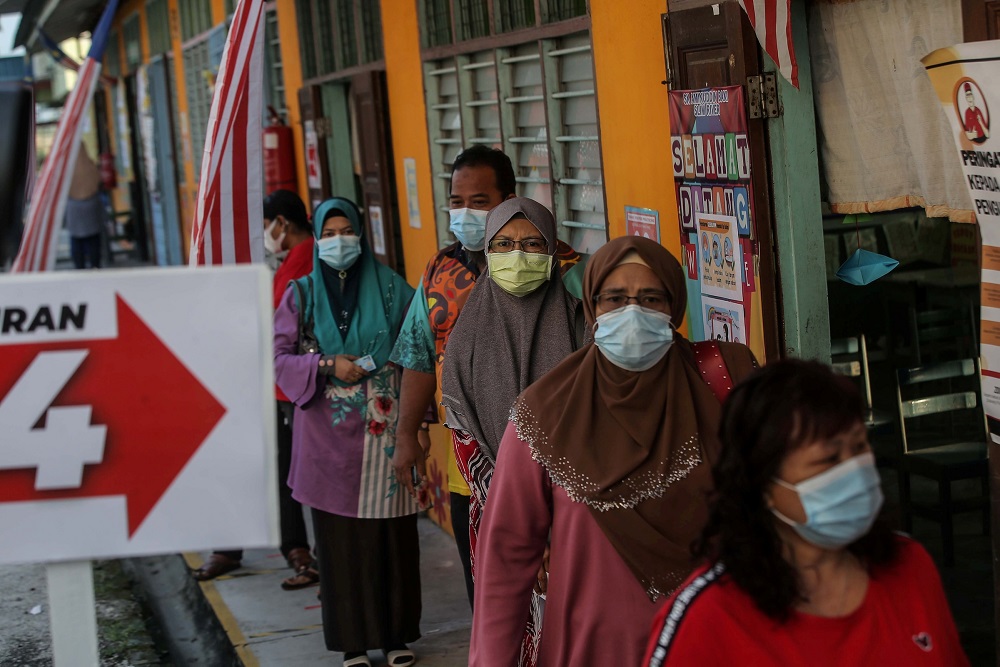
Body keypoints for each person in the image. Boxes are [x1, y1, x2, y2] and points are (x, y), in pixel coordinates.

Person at [469, 236, 756, 666]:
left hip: (717, 641)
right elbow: (506, 556)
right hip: (592, 649)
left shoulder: (723, 382)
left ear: (674, 307)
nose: (632, 313)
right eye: (615, 299)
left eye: (651, 298)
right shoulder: (545, 413)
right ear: (592, 307)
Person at [644, 359, 969, 667]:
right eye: (828, 460)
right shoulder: (708, 619)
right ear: (764, 484)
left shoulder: (911, 568)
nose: (854, 470)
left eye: (858, 448)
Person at [389, 145, 581, 608]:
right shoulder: (440, 269)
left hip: (565, 470)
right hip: (473, 468)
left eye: (479, 201)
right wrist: (406, 433)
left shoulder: (566, 270)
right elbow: (418, 354)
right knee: (491, 595)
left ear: (509, 199)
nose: (465, 212)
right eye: (457, 201)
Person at [274, 197, 419, 667]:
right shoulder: (301, 294)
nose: (340, 240)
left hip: (384, 434)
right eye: (329, 233)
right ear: (317, 238)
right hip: (326, 441)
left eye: (347, 230)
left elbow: (418, 343)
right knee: (339, 545)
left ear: (361, 232)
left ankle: (396, 638)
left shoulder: (394, 289)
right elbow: (277, 360)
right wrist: (325, 363)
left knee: (389, 541)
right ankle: (352, 644)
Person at [441, 197, 582, 664]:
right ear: (488, 252)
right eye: (502, 244)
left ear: (551, 251)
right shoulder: (467, 334)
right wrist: (524, 524)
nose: (516, 255)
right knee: (509, 631)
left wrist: (559, 521)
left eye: (530, 244)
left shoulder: (584, 325)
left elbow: (596, 431)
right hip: (499, 516)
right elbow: (465, 436)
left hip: (580, 517)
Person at [65, 144, 105, 269]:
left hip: (73, 206)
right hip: (91, 205)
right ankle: (95, 265)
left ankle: (79, 266)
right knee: (93, 239)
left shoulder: (67, 169)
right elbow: (98, 180)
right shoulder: (90, 166)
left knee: (76, 240)